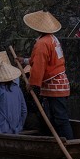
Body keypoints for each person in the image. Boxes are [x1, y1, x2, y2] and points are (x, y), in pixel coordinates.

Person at [22, 10, 73, 140]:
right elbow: (40, 60)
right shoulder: (51, 39)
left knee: (60, 118)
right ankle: (60, 139)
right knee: (56, 116)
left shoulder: (42, 43)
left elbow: (39, 66)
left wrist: (32, 84)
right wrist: (25, 61)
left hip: (54, 85)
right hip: (60, 83)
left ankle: (69, 142)